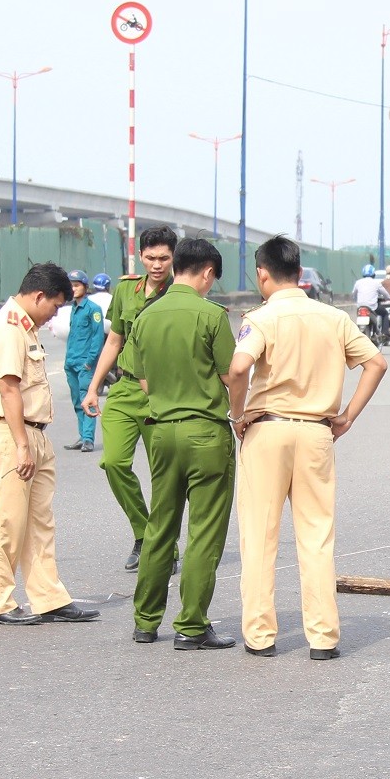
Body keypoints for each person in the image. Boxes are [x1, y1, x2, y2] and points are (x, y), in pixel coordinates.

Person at [226, 236, 387, 659]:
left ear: (262, 274)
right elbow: (376, 363)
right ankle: (323, 637)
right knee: (316, 536)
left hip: (267, 429)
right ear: (299, 274)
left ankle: (261, 637)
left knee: (259, 536)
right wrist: (348, 414)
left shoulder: (260, 318)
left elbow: (240, 366)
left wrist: (237, 413)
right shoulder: (333, 318)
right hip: (317, 430)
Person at [128, 237, 237, 649]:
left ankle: (145, 620)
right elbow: (232, 375)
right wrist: (239, 414)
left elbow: (143, 380)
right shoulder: (211, 315)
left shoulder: (146, 317)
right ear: (207, 271)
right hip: (205, 431)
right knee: (204, 530)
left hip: (161, 431)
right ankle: (191, 625)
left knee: (160, 526)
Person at [0, 261, 100, 625]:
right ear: (39, 295)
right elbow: (9, 387)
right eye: (55, 306)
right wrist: (21, 445)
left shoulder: (25, 326)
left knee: (39, 523)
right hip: (11, 434)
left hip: (32, 433)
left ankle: (47, 597)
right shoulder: (10, 327)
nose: (54, 315)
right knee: (6, 522)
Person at [84, 226, 178, 571]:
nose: (157, 265)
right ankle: (144, 533)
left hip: (162, 393)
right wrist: (94, 387)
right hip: (124, 390)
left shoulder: (180, 293)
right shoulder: (125, 290)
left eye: (164, 258)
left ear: (173, 258)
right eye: (151, 258)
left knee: (164, 475)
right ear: (141, 256)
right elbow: (114, 341)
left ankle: (164, 544)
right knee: (113, 463)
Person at [61, 271, 106, 452]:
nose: (73, 289)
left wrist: (89, 362)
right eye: (71, 285)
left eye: (77, 285)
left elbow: (97, 338)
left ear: (85, 288)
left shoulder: (93, 309)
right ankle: (82, 435)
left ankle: (88, 438)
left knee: (87, 399)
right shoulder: (73, 308)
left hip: (84, 363)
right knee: (76, 401)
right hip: (71, 362)